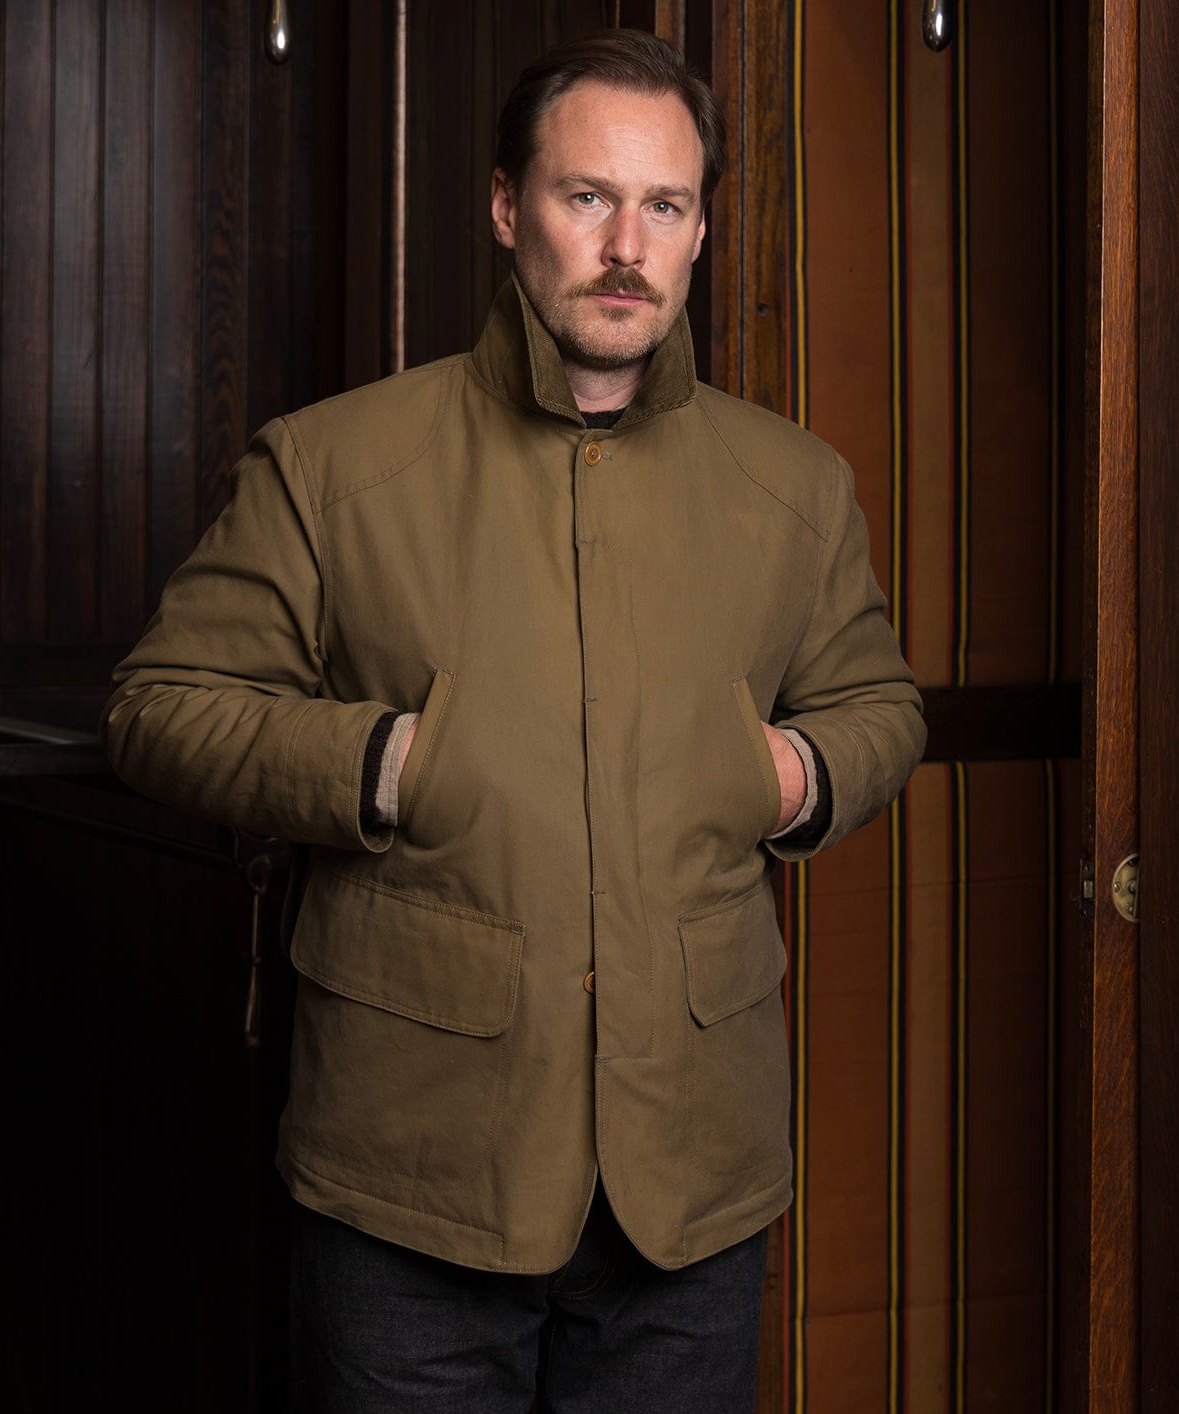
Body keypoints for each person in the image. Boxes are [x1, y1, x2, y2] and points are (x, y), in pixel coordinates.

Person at [102, 28, 924, 1414]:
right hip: (411, 1173)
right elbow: (157, 708)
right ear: (504, 206)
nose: (627, 246)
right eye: (586, 196)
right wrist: (384, 761)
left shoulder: (796, 487)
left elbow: (879, 705)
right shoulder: (332, 464)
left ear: (702, 229)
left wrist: (791, 773)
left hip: (694, 1177)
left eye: (664, 206)